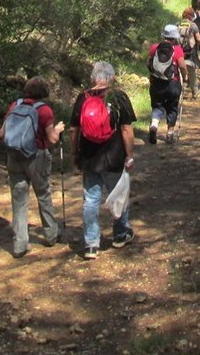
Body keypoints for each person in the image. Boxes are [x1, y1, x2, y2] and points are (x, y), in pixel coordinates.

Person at [69, 61, 137, 260]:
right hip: (114, 156)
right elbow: (126, 129)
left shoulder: (83, 97)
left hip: (89, 157)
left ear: (93, 78)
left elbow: (74, 130)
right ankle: (120, 235)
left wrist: (75, 153)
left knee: (90, 200)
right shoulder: (118, 97)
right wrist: (130, 155)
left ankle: (91, 245)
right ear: (112, 78)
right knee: (118, 196)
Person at [0, 76, 65, 258]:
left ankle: (20, 244)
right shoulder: (44, 111)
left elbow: (2, 133)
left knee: (19, 200)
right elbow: (52, 139)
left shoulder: (15, 105)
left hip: (13, 156)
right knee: (43, 194)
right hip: (36, 157)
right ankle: (51, 234)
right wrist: (58, 130)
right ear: (44, 92)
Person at [147, 24, 188, 144]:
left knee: (157, 105)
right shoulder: (177, 50)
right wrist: (185, 78)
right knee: (172, 108)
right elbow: (182, 66)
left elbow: (148, 64)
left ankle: (154, 125)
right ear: (174, 37)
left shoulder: (154, 47)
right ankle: (170, 134)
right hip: (172, 83)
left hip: (156, 83)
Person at [180, 7, 200, 100]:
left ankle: (180, 92)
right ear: (190, 16)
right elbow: (199, 39)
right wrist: (196, 46)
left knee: (179, 71)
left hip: (179, 51)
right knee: (192, 72)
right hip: (190, 52)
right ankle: (195, 92)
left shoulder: (178, 24)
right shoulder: (193, 25)